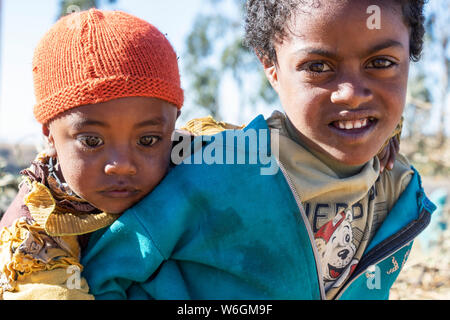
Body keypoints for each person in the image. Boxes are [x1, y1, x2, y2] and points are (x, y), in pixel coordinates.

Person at [80, 0, 436, 300]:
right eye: (318, 67)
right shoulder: (217, 169)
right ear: (271, 67)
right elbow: (106, 272)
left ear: (411, 55)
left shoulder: (400, 191)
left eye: (381, 63)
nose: (351, 93)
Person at [0, 9, 186, 299]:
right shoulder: (34, 232)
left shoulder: (195, 161)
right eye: (91, 141)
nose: (122, 165)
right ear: (49, 135)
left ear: (173, 127)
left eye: (148, 140)